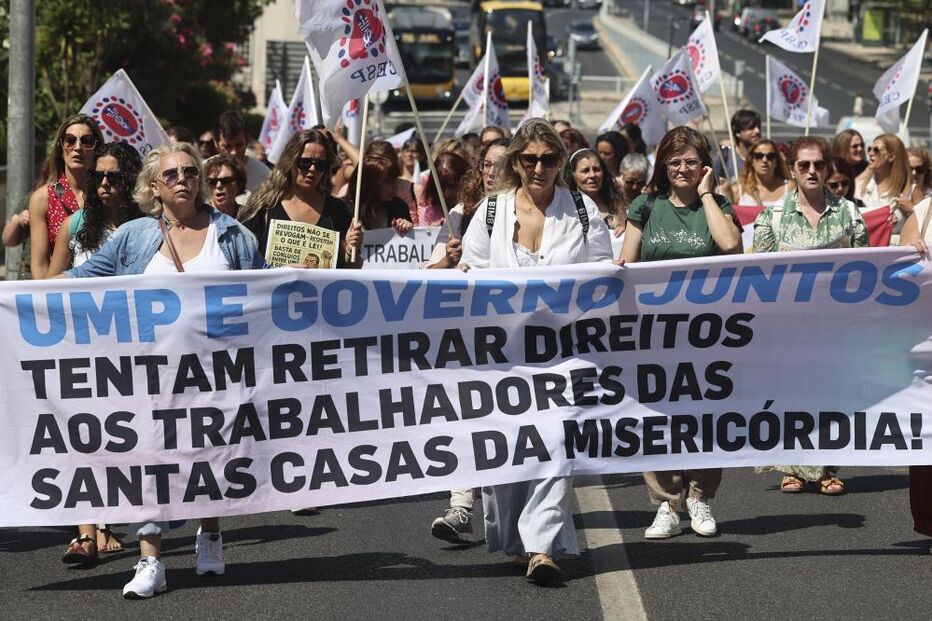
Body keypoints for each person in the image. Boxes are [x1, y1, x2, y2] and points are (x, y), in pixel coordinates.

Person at [62, 142, 267, 599]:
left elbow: (264, 288)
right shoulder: (134, 237)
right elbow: (83, 279)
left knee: (212, 456)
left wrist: (303, 276)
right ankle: (151, 560)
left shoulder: (233, 235)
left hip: (216, 373)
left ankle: (209, 534)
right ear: (154, 186)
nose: (183, 180)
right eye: (171, 174)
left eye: (190, 171)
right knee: (152, 462)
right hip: (149, 377)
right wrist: (18, 294)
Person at [459, 119, 613, 585]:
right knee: (509, 447)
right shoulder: (492, 211)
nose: (539, 168)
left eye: (548, 159)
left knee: (557, 441)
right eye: (530, 159)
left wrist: (616, 273)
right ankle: (515, 539)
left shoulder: (582, 210)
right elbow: (471, 271)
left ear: (560, 162)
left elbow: (601, 273)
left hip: (564, 351)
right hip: (502, 354)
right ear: (516, 162)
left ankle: (543, 547)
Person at [620, 126, 742, 539]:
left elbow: (730, 245)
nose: (683, 169)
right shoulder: (645, 205)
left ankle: (699, 496)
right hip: (655, 332)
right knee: (658, 415)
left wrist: (706, 194)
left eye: (692, 162)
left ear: (704, 166)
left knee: (705, 413)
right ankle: (667, 504)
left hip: (708, 332)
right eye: (675, 162)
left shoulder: (718, 204)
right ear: (662, 166)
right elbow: (627, 262)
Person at [753, 137, 868, 494]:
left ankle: (826, 467)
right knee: (790, 392)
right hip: (788, 323)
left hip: (836, 323)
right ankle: (793, 466)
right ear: (792, 170)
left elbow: (866, 269)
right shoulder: (771, 216)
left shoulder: (849, 213)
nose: (812, 171)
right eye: (804, 165)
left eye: (819, 164)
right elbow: (759, 274)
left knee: (831, 393)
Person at [239, 129, 363, 267]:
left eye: (320, 165)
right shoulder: (263, 205)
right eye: (305, 162)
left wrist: (350, 250)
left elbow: (354, 267)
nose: (312, 169)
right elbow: (242, 261)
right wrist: (278, 272)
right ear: (290, 161)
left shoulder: (337, 210)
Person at [49, 142, 145, 276]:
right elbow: (52, 283)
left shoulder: (149, 228)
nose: (104, 183)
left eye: (113, 177)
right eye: (98, 176)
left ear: (131, 179)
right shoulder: (75, 223)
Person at [28, 113, 104, 279]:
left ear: (97, 149)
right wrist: (45, 294)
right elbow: (40, 264)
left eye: (87, 141)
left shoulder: (106, 193)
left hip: (102, 288)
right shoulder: (42, 198)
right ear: (60, 147)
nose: (78, 147)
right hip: (61, 289)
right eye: (70, 140)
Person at [856, 133, 924, 243]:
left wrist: (912, 210)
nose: (870, 153)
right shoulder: (859, 187)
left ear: (891, 157)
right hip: (865, 250)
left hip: (896, 251)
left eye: (876, 150)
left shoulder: (912, 191)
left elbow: (926, 228)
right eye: (869, 149)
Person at [346, 155, 414, 235]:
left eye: (395, 181)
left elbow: (410, 240)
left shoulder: (399, 207)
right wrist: (346, 242)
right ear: (370, 184)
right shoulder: (343, 209)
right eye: (388, 182)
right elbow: (334, 241)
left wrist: (408, 230)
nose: (395, 186)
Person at [564, 148, 626, 237]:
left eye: (596, 169)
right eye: (585, 171)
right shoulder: (566, 207)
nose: (592, 175)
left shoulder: (616, 205)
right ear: (573, 175)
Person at [216, 110, 270, 191]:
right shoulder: (205, 172)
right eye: (227, 146)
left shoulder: (264, 174)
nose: (234, 152)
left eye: (239, 145)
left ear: (247, 142)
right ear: (217, 144)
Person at [417, 152, 470, 226]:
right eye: (442, 186)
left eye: (452, 186)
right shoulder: (428, 213)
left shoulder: (475, 207)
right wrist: (433, 231)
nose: (447, 193)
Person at [734, 139, 791, 207]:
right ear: (751, 160)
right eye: (759, 156)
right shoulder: (739, 189)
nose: (764, 160)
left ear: (776, 162)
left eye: (770, 156)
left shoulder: (789, 187)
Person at [719, 109, 761, 182]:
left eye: (758, 127)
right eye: (751, 128)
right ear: (738, 132)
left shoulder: (766, 155)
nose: (757, 131)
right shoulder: (726, 155)